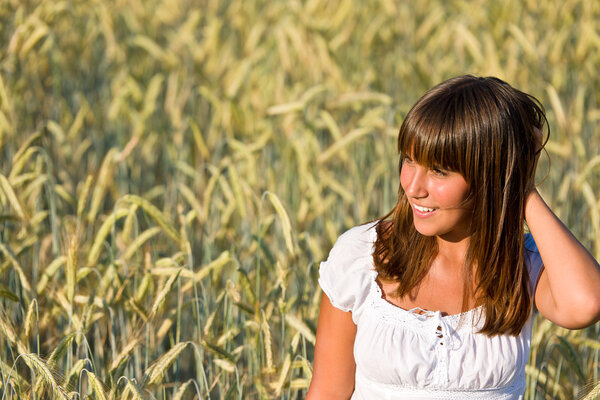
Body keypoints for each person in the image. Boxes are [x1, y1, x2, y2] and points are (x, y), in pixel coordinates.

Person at [306, 75, 600, 399]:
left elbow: (586, 303)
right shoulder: (362, 257)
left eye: (439, 171)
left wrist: (520, 183)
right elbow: (326, 392)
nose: (413, 187)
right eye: (409, 160)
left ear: (489, 174)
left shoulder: (522, 265)